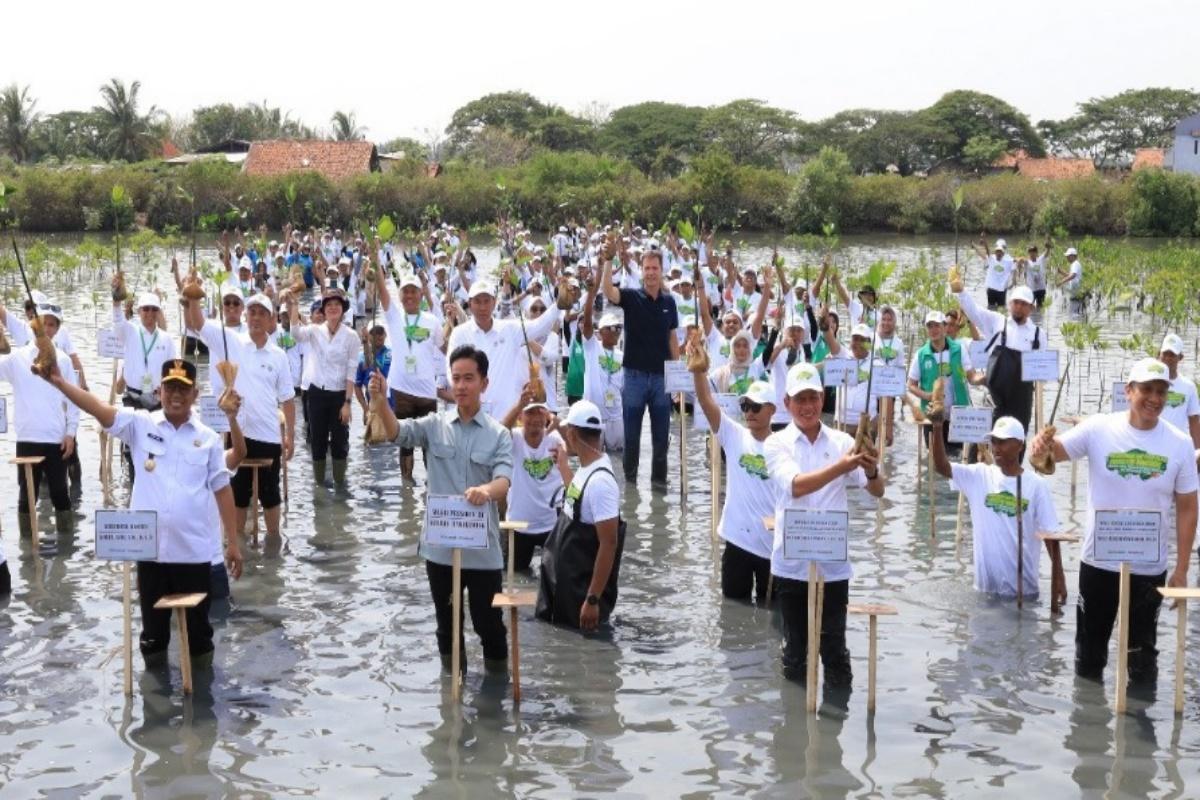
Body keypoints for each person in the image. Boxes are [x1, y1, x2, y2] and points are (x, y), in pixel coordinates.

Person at [44, 358, 243, 670]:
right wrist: (59, 383)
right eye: (170, 388)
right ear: (159, 391)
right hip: (151, 555)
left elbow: (222, 490)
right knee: (152, 635)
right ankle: (156, 704)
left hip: (193, 554)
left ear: (194, 395)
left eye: (183, 389)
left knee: (200, 636)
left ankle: (203, 707)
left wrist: (232, 543)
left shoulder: (207, 438)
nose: (176, 395)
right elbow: (98, 408)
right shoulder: (140, 424)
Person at [1031, 358, 1198, 686]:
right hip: (1099, 562)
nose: (1155, 398)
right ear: (1129, 391)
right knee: (1089, 654)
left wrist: (1181, 569)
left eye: (1161, 391)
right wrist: (1041, 445)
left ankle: (1139, 724)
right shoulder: (1099, 428)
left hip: (1149, 567)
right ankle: (1088, 727)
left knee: (1142, 657)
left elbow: (1189, 507)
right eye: (1147, 390)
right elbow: (1057, 453)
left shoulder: (1180, 443)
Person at [371, 345, 513, 673]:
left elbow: (504, 480)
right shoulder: (434, 425)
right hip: (440, 550)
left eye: (469, 378)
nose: (461, 386)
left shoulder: (499, 434)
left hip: (483, 550)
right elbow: (397, 434)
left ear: (484, 383)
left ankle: (495, 696)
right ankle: (452, 696)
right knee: (447, 627)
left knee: (489, 625)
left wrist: (485, 491)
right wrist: (381, 402)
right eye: (456, 378)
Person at [764, 362, 885, 685]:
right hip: (792, 563)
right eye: (800, 399)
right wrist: (842, 466)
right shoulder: (776, 443)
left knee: (834, 650)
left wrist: (871, 469)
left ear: (823, 398)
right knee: (795, 652)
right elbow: (796, 485)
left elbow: (876, 491)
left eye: (813, 398)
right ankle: (793, 727)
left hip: (833, 564)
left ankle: (835, 724)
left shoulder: (844, 441)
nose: (807, 407)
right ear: (787, 403)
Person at [184, 291, 295, 540]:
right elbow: (199, 323)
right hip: (239, 433)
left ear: (271, 319)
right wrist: (193, 298)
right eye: (252, 312)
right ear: (246, 315)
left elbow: (287, 398)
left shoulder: (278, 355)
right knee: (238, 492)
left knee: (270, 494)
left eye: (262, 313)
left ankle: (274, 547)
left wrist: (291, 436)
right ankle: (238, 547)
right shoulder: (231, 341)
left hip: (268, 434)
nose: (256, 318)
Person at [929, 414, 1064, 600]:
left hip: (1022, 595)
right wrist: (937, 427)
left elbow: (1051, 536)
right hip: (984, 592)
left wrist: (1059, 578)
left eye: (1003, 442)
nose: (996, 448)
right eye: (994, 442)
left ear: (1020, 445)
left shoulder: (1037, 485)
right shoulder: (979, 475)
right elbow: (941, 466)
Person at [692, 349, 777, 605]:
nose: (749, 412)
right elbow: (707, 401)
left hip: (771, 548)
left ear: (772, 409)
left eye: (755, 406)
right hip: (737, 542)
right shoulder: (734, 435)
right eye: (745, 406)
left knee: (771, 614)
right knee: (731, 614)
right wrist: (698, 372)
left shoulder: (785, 447)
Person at [536, 400, 626, 632]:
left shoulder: (601, 483)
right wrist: (564, 467)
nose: (565, 438)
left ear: (574, 434)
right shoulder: (587, 469)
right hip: (566, 588)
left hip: (582, 595)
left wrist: (593, 600)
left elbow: (609, 543)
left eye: (567, 433)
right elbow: (575, 500)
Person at [600, 247, 680, 486]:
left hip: (661, 379)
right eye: (647, 268)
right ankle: (631, 486)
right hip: (633, 377)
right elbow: (608, 291)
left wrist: (678, 379)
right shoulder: (632, 297)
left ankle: (658, 485)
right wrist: (607, 260)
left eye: (655, 268)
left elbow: (672, 339)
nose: (651, 273)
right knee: (631, 439)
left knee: (660, 441)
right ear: (641, 271)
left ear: (661, 270)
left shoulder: (669, 302)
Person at [0, 301, 80, 534]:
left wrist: (71, 433)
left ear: (56, 330)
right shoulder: (17, 358)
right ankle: (28, 550)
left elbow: (74, 399)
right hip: (27, 438)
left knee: (59, 494)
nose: (46, 328)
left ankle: (66, 548)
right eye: (42, 323)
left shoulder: (63, 359)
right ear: (34, 325)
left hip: (54, 438)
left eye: (51, 325)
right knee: (26, 498)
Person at [446, 281, 561, 417]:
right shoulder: (459, 333)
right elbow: (450, 371)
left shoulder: (510, 329)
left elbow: (540, 325)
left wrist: (559, 305)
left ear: (494, 303)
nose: (482, 307)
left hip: (506, 415)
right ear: (470, 304)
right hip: (472, 413)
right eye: (477, 301)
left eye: (486, 301)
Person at [287, 288, 360, 486]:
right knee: (317, 441)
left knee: (340, 442)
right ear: (324, 310)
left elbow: (351, 371)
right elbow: (295, 333)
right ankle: (319, 486)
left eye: (337, 305)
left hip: (339, 396)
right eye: (329, 305)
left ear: (343, 309)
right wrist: (294, 305)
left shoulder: (351, 336)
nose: (333, 308)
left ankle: (340, 485)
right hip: (317, 393)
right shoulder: (314, 330)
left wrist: (347, 402)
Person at [953, 276, 1044, 432]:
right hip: (994, 399)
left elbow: (1041, 372)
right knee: (986, 443)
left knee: (1017, 444)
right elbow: (974, 311)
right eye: (1016, 302)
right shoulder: (997, 322)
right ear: (1010, 304)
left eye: (1024, 304)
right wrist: (961, 291)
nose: (1019, 307)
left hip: (1022, 401)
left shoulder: (1038, 334)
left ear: (1031, 308)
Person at [378, 273, 445, 482]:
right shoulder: (394, 316)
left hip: (427, 391)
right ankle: (407, 492)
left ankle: (431, 486)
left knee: (428, 443)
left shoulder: (433, 321)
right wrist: (376, 259)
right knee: (404, 442)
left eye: (413, 291)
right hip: (401, 391)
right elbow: (382, 291)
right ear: (400, 295)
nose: (409, 296)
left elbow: (446, 349)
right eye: (405, 291)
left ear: (421, 295)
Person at [500, 389, 571, 572]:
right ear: (521, 417)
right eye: (529, 413)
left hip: (551, 524)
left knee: (555, 578)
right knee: (514, 576)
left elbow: (576, 446)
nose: (535, 419)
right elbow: (498, 433)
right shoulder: (514, 438)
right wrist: (518, 406)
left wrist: (558, 423)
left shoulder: (554, 439)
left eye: (539, 412)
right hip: (519, 524)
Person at [907, 311, 982, 446]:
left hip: (958, 414)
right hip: (932, 414)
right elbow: (911, 385)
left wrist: (987, 379)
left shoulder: (959, 349)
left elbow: (972, 377)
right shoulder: (921, 354)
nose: (933, 330)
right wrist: (927, 395)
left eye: (937, 325)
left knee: (958, 458)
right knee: (934, 459)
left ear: (944, 327)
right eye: (930, 326)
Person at [579, 274, 625, 450]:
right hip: (593, 417)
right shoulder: (592, 347)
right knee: (592, 459)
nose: (616, 332)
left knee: (618, 464)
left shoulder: (621, 356)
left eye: (619, 328)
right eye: (611, 328)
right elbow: (588, 323)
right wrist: (591, 295)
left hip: (616, 417)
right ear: (601, 332)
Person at [112, 290, 177, 412]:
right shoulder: (130, 331)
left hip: (157, 398)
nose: (150, 313)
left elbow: (172, 369)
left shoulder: (166, 338)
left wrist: (168, 390)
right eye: (146, 309)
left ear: (159, 312)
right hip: (133, 398)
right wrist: (116, 302)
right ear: (139, 311)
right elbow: (118, 322)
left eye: (154, 309)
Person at [1157, 333, 1200, 447]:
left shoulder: (1189, 386)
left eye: (1172, 355)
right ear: (1159, 354)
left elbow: (1194, 422)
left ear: (1180, 357)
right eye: (1165, 354)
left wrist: (1197, 452)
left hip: (1177, 446)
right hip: (1153, 443)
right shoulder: (1149, 384)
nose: (1167, 358)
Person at [354, 325, 391, 424]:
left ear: (385, 335)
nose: (378, 336)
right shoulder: (361, 358)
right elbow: (357, 386)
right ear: (369, 336)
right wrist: (365, 408)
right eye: (374, 333)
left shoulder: (392, 354)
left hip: (392, 407)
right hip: (372, 407)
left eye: (380, 332)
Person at [975, 237, 1016, 310]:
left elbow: (1015, 265)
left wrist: (1013, 281)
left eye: (1000, 251)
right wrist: (984, 242)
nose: (999, 253)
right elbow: (987, 252)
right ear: (995, 252)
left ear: (1003, 252)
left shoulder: (1009, 260)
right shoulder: (991, 258)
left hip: (1002, 289)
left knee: (1001, 309)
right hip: (991, 289)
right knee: (990, 308)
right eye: (997, 251)